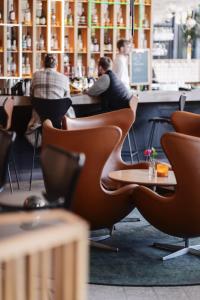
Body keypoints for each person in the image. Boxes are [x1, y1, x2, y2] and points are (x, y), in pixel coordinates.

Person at [27, 54, 72, 130]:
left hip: (39, 121)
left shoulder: (35, 76)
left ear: (43, 64)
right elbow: (67, 99)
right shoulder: (64, 78)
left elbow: (31, 95)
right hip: (59, 121)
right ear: (56, 65)